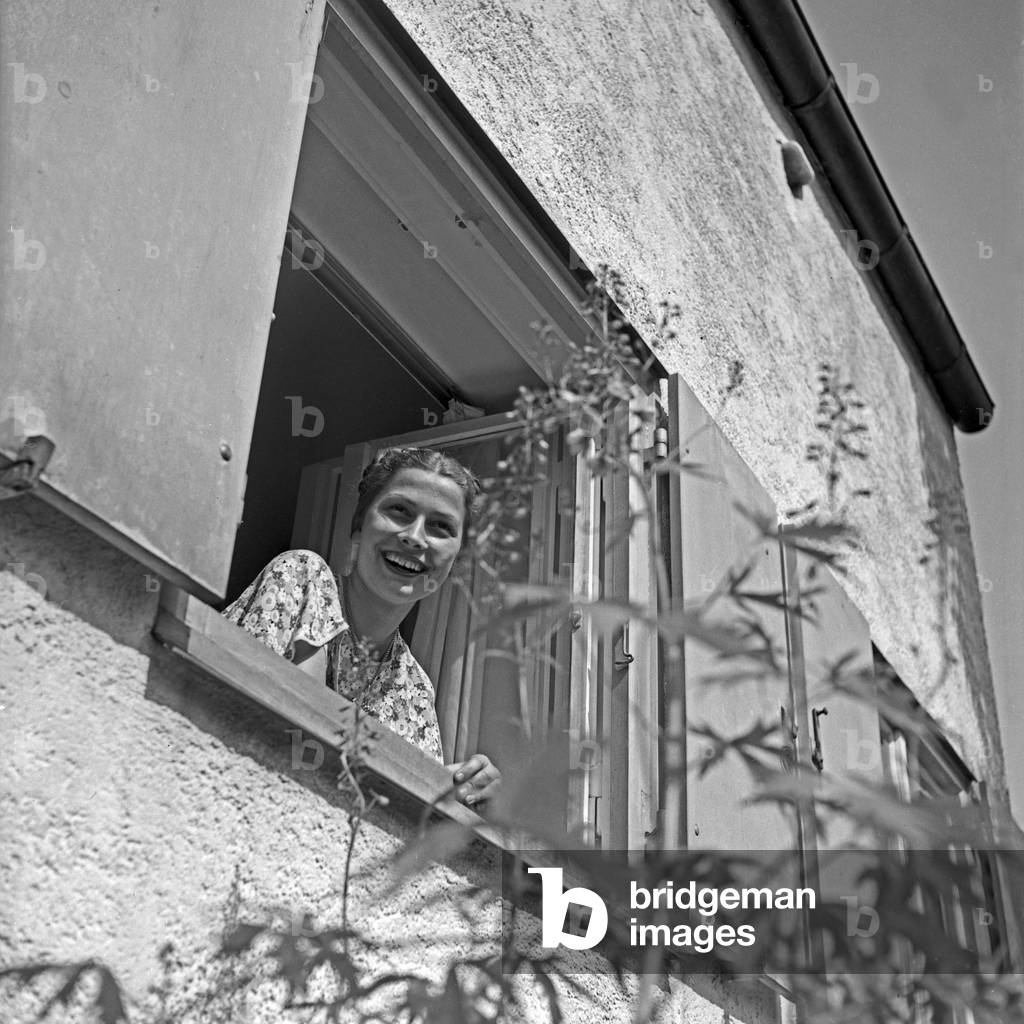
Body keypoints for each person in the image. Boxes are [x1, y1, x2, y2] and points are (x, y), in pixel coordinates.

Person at [221, 446, 500, 808]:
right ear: (358, 524)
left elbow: (399, 821)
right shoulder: (304, 578)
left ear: (456, 561)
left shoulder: (415, 688)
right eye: (399, 511)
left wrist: (462, 792)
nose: (415, 537)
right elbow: (288, 737)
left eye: (441, 527)